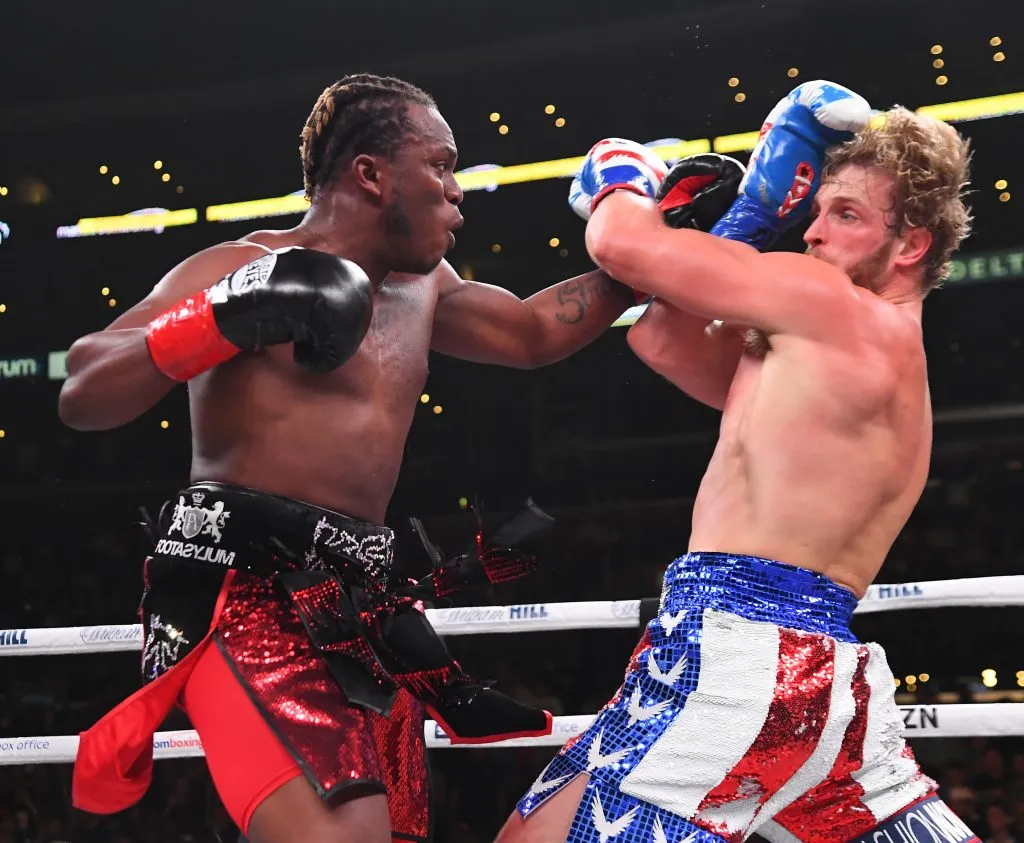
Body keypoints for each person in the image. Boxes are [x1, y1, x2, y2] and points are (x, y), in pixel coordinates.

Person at [59, 73, 669, 843]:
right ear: (372, 174)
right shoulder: (246, 262)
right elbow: (84, 386)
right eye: (440, 165)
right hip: (240, 595)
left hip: (361, 610)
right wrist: (220, 317)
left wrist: (651, 246)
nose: (457, 192)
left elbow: (532, 331)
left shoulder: (425, 288)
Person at [499, 83, 979, 842]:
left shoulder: (835, 307)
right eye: (815, 210)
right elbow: (663, 339)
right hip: (806, 665)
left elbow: (622, 247)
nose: (815, 235)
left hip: (737, 659)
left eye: (846, 215)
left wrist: (621, 176)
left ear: (912, 244)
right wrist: (752, 213)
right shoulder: (859, 356)